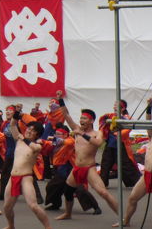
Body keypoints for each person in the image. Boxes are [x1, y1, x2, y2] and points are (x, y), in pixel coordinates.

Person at [56, 92, 119, 220]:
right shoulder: (76, 128)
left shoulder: (97, 133)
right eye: (81, 118)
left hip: (89, 168)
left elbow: (98, 143)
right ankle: (68, 213)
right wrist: (60, 100)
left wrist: (82, 134)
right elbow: (66, 115)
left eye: (84, 119)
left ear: (91, 121)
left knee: (103, 192)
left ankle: (122, 218)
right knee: (68, 191)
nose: (81, 120)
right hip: (76, 168)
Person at [118, 97, 152, 227]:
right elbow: (148, 121)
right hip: (146, 175)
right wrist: (149, 105)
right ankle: (126, 221)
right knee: (132, 199)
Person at [2, 111, 51, 229]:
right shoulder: (19, 140)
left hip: (26, 178)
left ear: (37, 134)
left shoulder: (37, 145)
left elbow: (34, 147)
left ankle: (48, 227)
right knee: (7, 207)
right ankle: (11, 226)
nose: (29, 131)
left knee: (33, 205)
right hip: (13, 177)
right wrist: (17, 113)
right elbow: (13, 125)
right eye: (29, 128)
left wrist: (23, 138)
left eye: (33, 130)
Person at [99, 100, 141, 188]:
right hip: (110, 144)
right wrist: (106, 122)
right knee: (105, 164)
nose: (114, 106)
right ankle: (102, 183)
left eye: (117, 105)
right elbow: (102, 120)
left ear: (123, 108)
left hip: (121, 144)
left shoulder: (126, 118)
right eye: (114, 104)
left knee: (125, 165)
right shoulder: (110, 116)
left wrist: (117, 133)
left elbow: (128, 129)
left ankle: (134, 183)